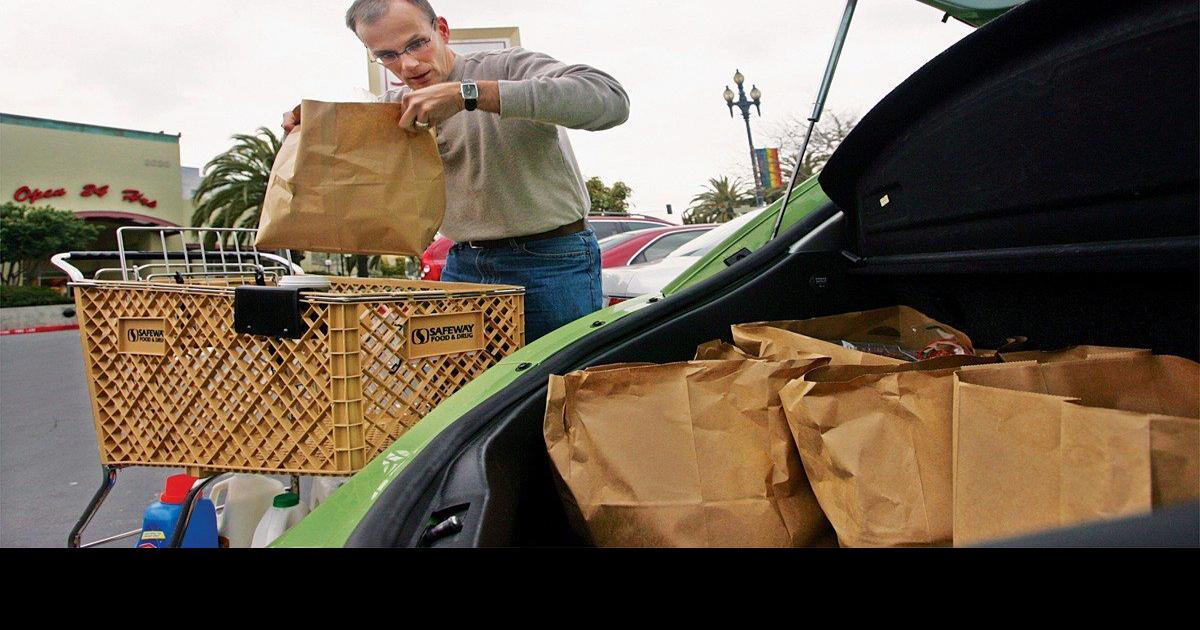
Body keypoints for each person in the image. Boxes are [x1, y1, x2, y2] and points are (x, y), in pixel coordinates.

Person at [283, 0, 630, 342]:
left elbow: (611, 99)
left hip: (550, 260)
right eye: (388, 55)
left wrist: (468, 95)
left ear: (443, 30)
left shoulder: (507, 66)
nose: (408, 64)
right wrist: (311, 127)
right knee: (464, 393)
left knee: (552, 391)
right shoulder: (395, 109)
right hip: (462, 262)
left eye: (417, 43)